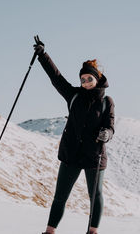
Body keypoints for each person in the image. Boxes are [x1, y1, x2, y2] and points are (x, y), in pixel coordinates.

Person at [33, 36, 115, 234]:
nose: (85, 82)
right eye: (83, 79)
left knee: (95, 195)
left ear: (97, 78)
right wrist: (42, 55)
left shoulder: (106, 102)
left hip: (94, 155)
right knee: (60, 196)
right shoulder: (74, 95)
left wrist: (106, 133)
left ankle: (92, 232)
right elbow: (56, 77)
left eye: (89, 78)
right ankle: (49, 232)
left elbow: (110, 127)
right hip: (71, 154)